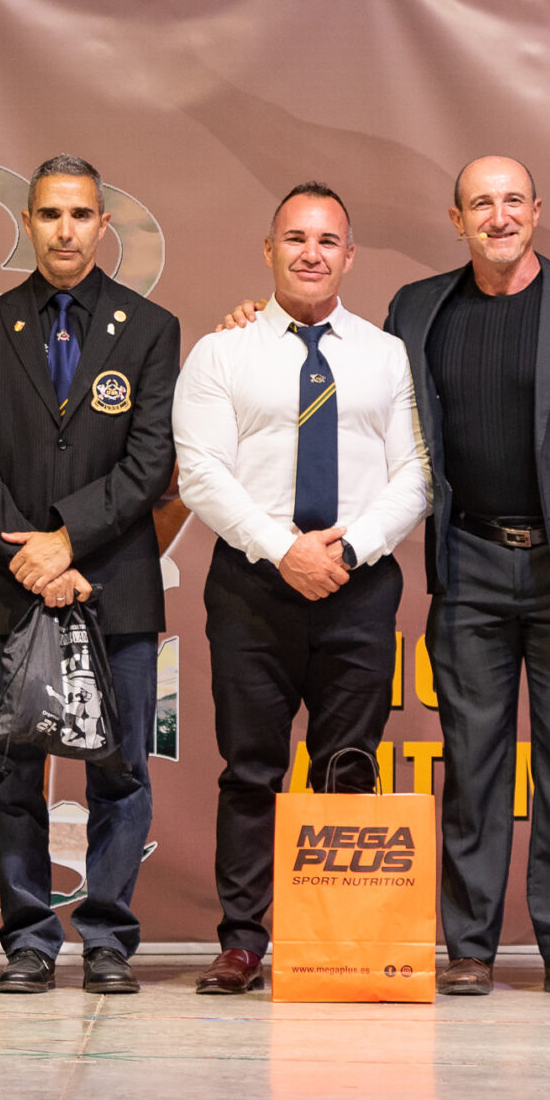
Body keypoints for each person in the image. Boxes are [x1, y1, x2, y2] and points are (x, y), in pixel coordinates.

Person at [385, 156, 550, 999]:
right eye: (480, 204)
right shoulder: (416, 309)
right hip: (467, 558)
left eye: (511, 201)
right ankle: (469, 947)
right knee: (472, 766)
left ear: (537, 210)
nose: (497, 216)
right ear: (456, 219)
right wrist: (257, 320)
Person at [174, 182, 431, 995]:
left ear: (349, 255)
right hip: (252, 586)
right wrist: (285, 550)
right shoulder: (222, 353)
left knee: (347, 767)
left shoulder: (387, 354)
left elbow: (416, 472)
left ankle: (335, 942)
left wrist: (346, 550)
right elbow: (200, 473)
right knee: (251, 768)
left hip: (359, 586)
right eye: (295, 238)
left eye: (326, 240)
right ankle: (243, 942)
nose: (310, 253)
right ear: (269, 249)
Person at [0, 155, 180, 995]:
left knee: (120, 772)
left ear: (103, 225)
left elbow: (150, 460)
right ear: (27, 223)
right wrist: (32, 555)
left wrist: (69, 542)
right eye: (49, 214)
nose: (65, 230)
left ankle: (108, 938)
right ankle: (26, 937)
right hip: (7, 583)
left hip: (114, 584)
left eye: (81, 214)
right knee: (11, 774)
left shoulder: (151, 328)